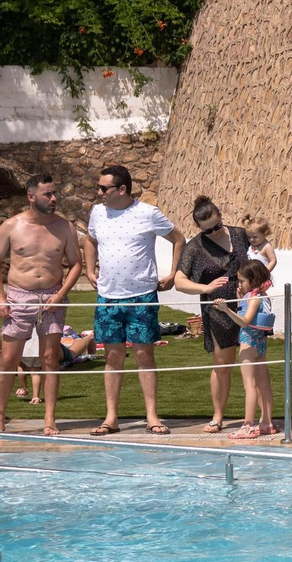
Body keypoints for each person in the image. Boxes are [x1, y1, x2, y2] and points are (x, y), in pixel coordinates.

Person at [85, 164, 183, 436]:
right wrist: (90, 269)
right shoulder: (97, 213)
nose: (99, 192)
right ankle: (111, 417)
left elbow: (178, 238)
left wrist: (173, 273)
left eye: (104, 188)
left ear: (122, 189)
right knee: (112, 356)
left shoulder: (147, 213)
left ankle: (151, 416)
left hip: (142, 295)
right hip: (108, 296)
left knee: (144, 355)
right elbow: (90, 241)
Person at [0, 174, 82, 436]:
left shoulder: (65, 227)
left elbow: (76, 264)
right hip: (18, 297)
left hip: (52, 298)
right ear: (31, 197)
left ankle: (50, 419)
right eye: (48, 194)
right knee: (9, 359)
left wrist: (60, 294)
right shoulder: (11, 226)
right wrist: (1, 298)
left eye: (54, 193)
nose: (54, 198)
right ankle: (0, 415)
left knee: (50, 359)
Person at [174, 196, 250, 434]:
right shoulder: (195, 246)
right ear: (199, 229)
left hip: (249, 305)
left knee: (255, 363)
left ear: (221, 215)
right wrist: (205, 288)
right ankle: (218, 416)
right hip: (218, 309)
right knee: (222, 364)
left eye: (217, 226)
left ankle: (259, 418)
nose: (215, 232)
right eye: (208, 230)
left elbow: (264, 257)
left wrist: (256, 284)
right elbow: (179, 281)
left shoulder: (240, 235)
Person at [215, 259, 276, 439]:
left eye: (242, 281)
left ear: (253, 281)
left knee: (250, 385)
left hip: (248, 344)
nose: (239, 284)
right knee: (263, 384)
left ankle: (247, 425)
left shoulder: (254, 298)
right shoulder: (262, 295)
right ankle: (266, 423)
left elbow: (245, 321)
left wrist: (226, 310)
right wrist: (241, 298)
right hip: (261, 344)